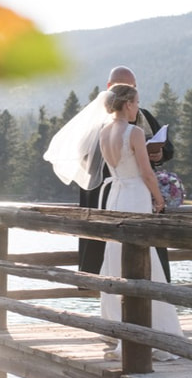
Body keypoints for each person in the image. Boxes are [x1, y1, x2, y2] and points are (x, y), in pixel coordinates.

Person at [96, 83, 183, 360]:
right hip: (134, 195)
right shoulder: (133, 132)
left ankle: (116, 327)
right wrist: (159, 199)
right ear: (129, 104)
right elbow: (146, 172)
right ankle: (153, 332)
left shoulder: (103, 132)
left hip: (115, 197)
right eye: (136, 103)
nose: (137, 108)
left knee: (115, 260)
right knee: (143, 263)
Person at [78, 66, 174, 281]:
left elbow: (167, 149)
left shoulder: (144, 117)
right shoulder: (96, 121)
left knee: (140, 249)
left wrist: (158, 154)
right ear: (110, 88)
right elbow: (85, 157)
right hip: (109, 189)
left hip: (127, 191)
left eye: (132, 87)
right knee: (112, 249)